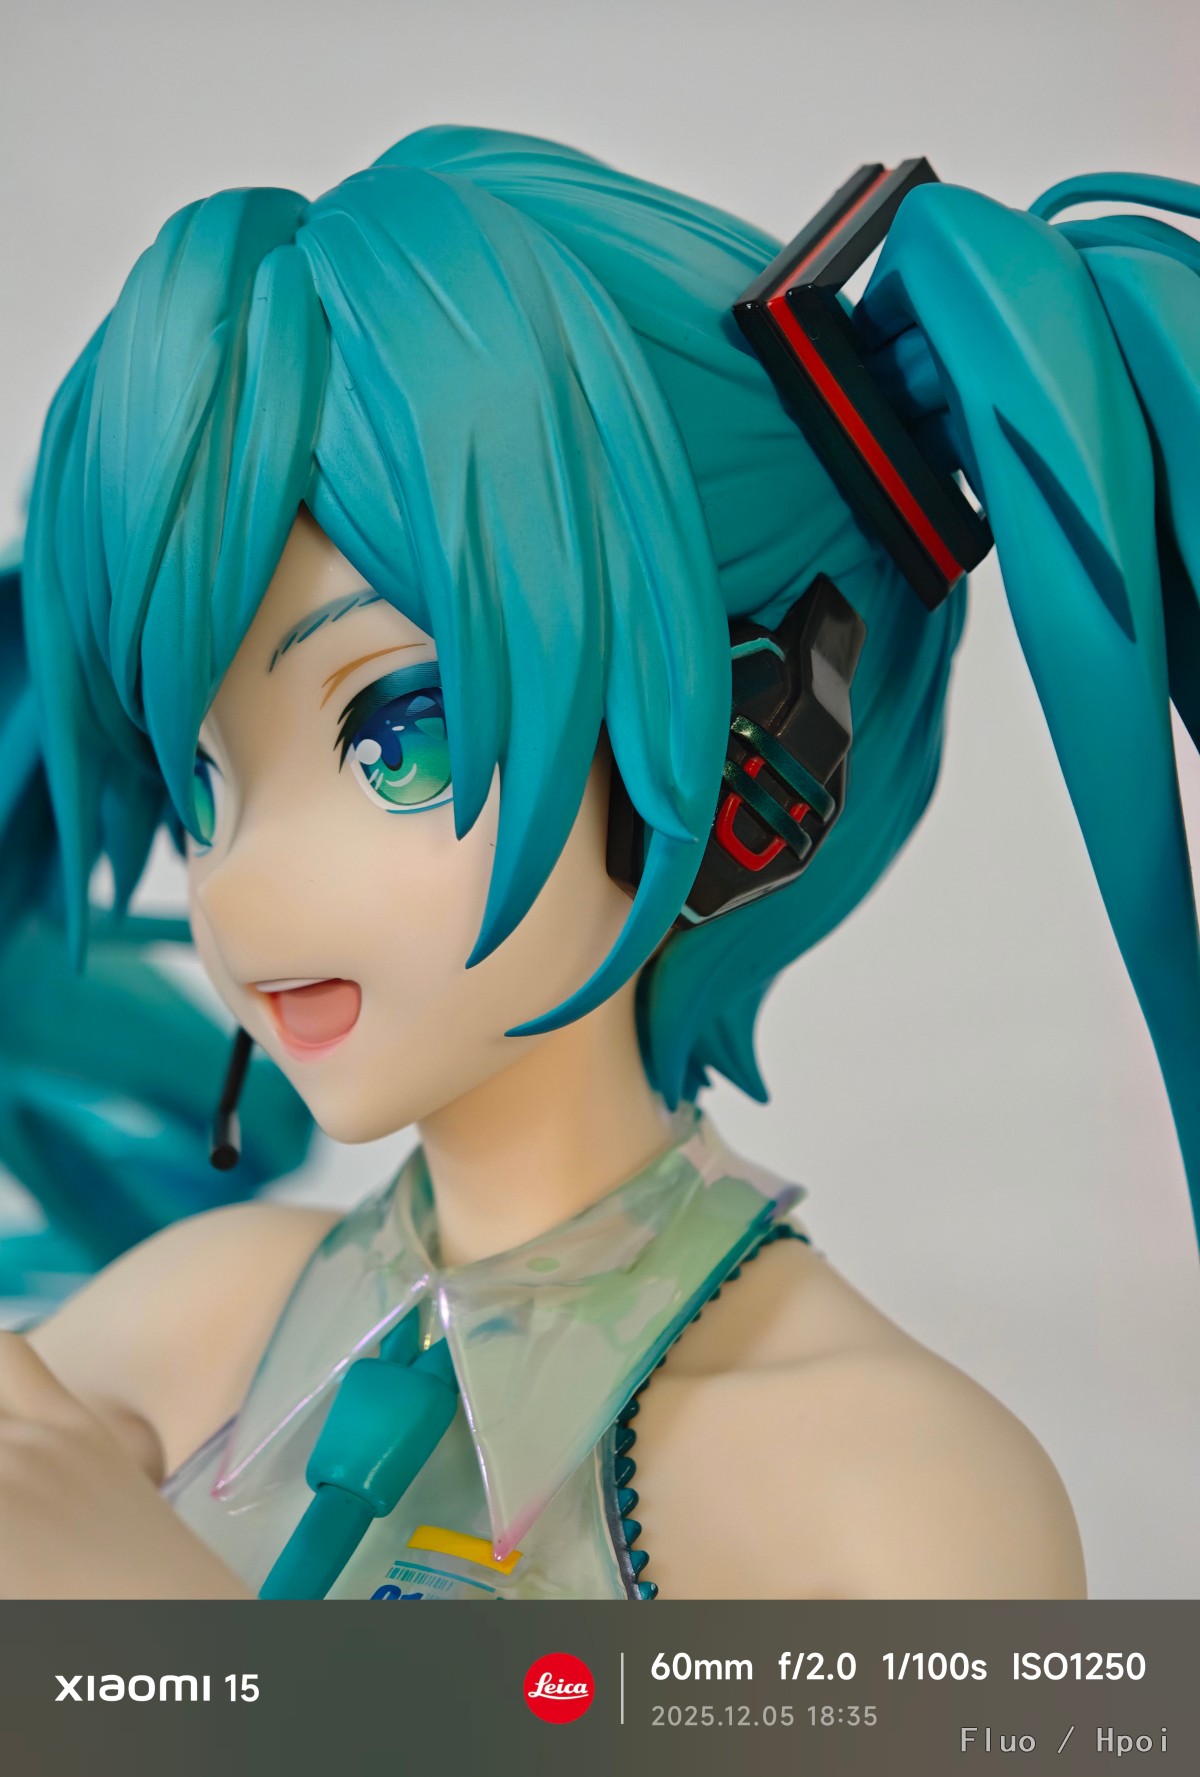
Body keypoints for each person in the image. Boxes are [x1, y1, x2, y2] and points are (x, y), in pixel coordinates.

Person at [1, 126, 1197, 1600]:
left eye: (402, 740)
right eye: (204, 786)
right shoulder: (185, 1330)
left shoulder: (899, 1513)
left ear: (751, 753)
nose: (239, 892)